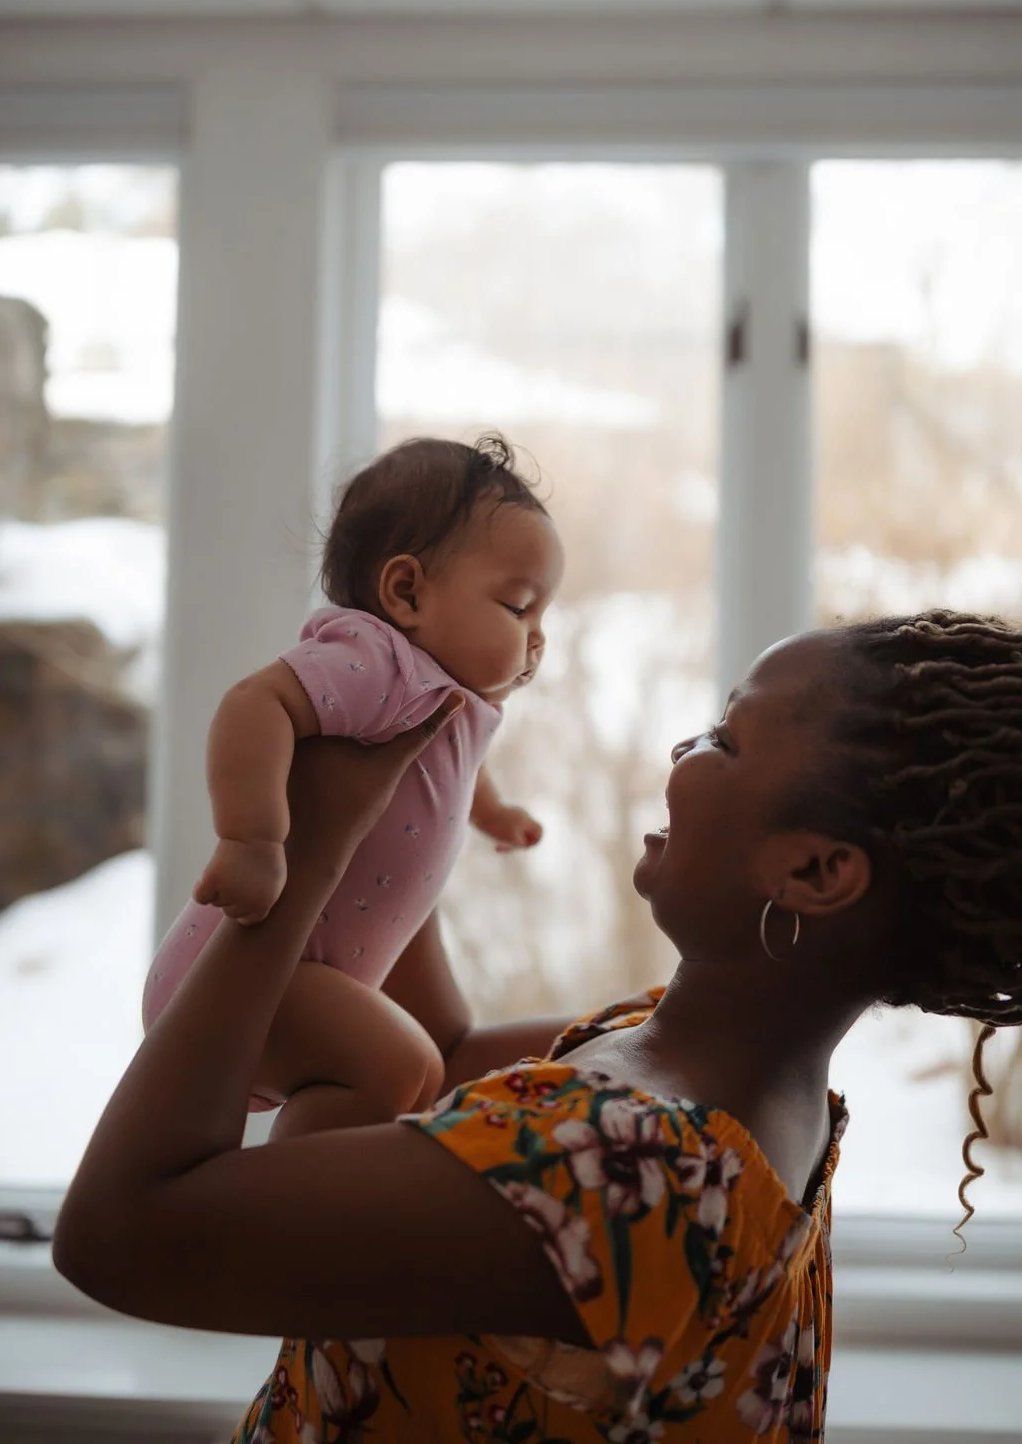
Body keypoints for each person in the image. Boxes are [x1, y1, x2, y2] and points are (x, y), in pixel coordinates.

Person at [54, 609, 1022, 1442]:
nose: (681, 755)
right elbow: (425, 1064)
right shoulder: (690, 1078)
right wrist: (401, 809)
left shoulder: (629, 1169)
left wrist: (298, 854)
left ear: (815, 874)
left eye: (724, 740)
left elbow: (118, 1231)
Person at [141, 434, 563, 1137]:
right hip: (249, 976)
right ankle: (291, 1211)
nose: (539, 638)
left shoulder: (444, 692)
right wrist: (251, 837)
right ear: (405, 592)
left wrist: (490, 812)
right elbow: (256, 703)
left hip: (318, 970)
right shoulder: (377, 660)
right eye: (519, 607)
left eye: (545, 616)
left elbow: (456, 763)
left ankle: (327, 1190)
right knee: (400, 1066)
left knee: (423, 1069)